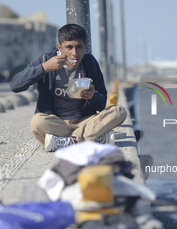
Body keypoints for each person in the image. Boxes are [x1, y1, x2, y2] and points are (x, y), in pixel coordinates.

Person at [10, 24, 127, 152]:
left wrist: (93, 96)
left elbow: (101, 104)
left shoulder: (90, 62)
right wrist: (44, 68)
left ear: (85, 47)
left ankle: (68, 141)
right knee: (37, 122)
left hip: (84, 121)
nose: (74, 53)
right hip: (56, 123)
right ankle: (92, 137)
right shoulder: (45, 60)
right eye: (69, 47)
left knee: (119, 111)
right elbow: (15, 85)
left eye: (79, 47)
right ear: (59, 47)